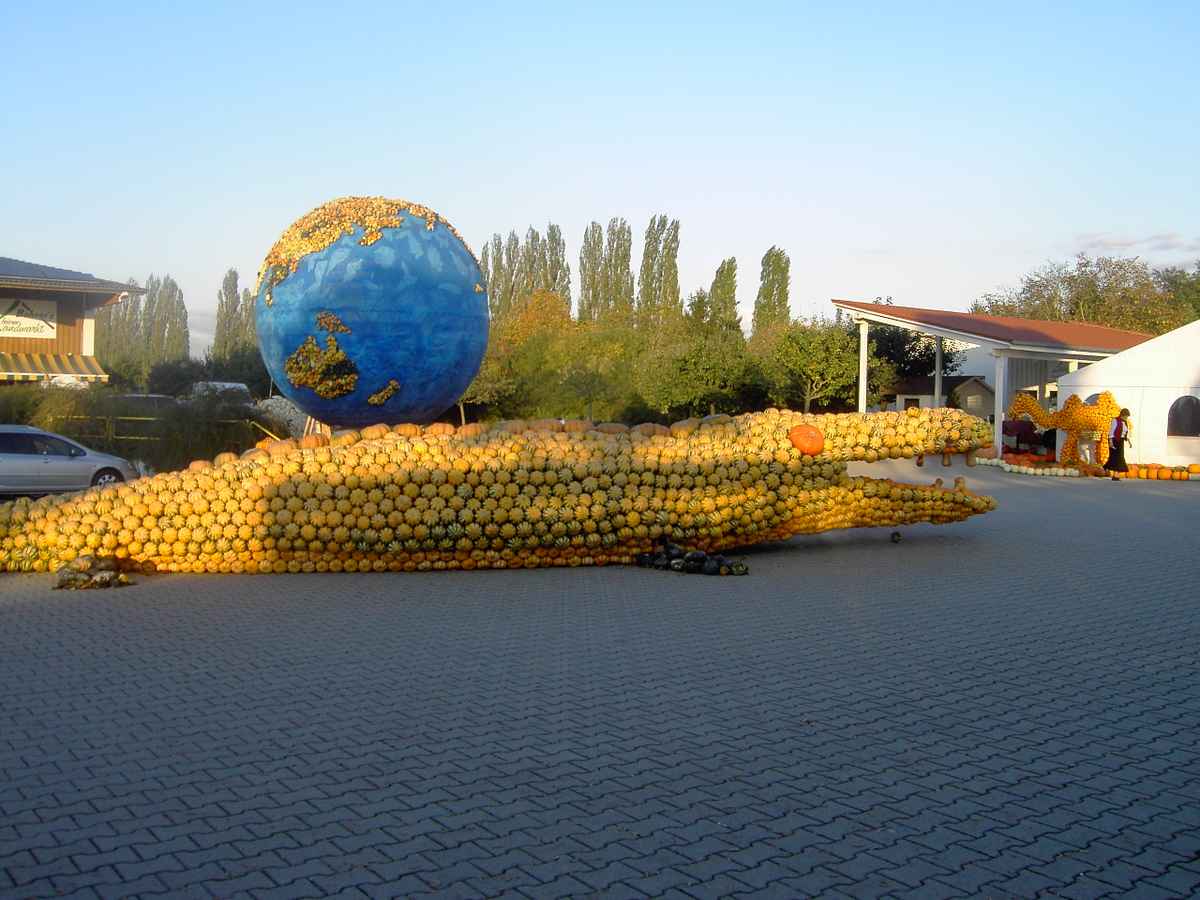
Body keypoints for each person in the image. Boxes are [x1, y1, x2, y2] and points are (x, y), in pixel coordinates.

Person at [1104, 408, 1132, 480]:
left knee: (1118, 458)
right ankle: (1115, 475)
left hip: (1121, 440)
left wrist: (1129, 441)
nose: (1126, 417)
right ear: (1122, 415)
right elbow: (1111, 431)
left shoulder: (1125, 422)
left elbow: (1125, 432)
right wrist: (1110, 442)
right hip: (1114, 440)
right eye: (1126, 416)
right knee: (1117, 458)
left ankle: (1111, 471)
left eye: (1127, 416)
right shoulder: (1115, 420)